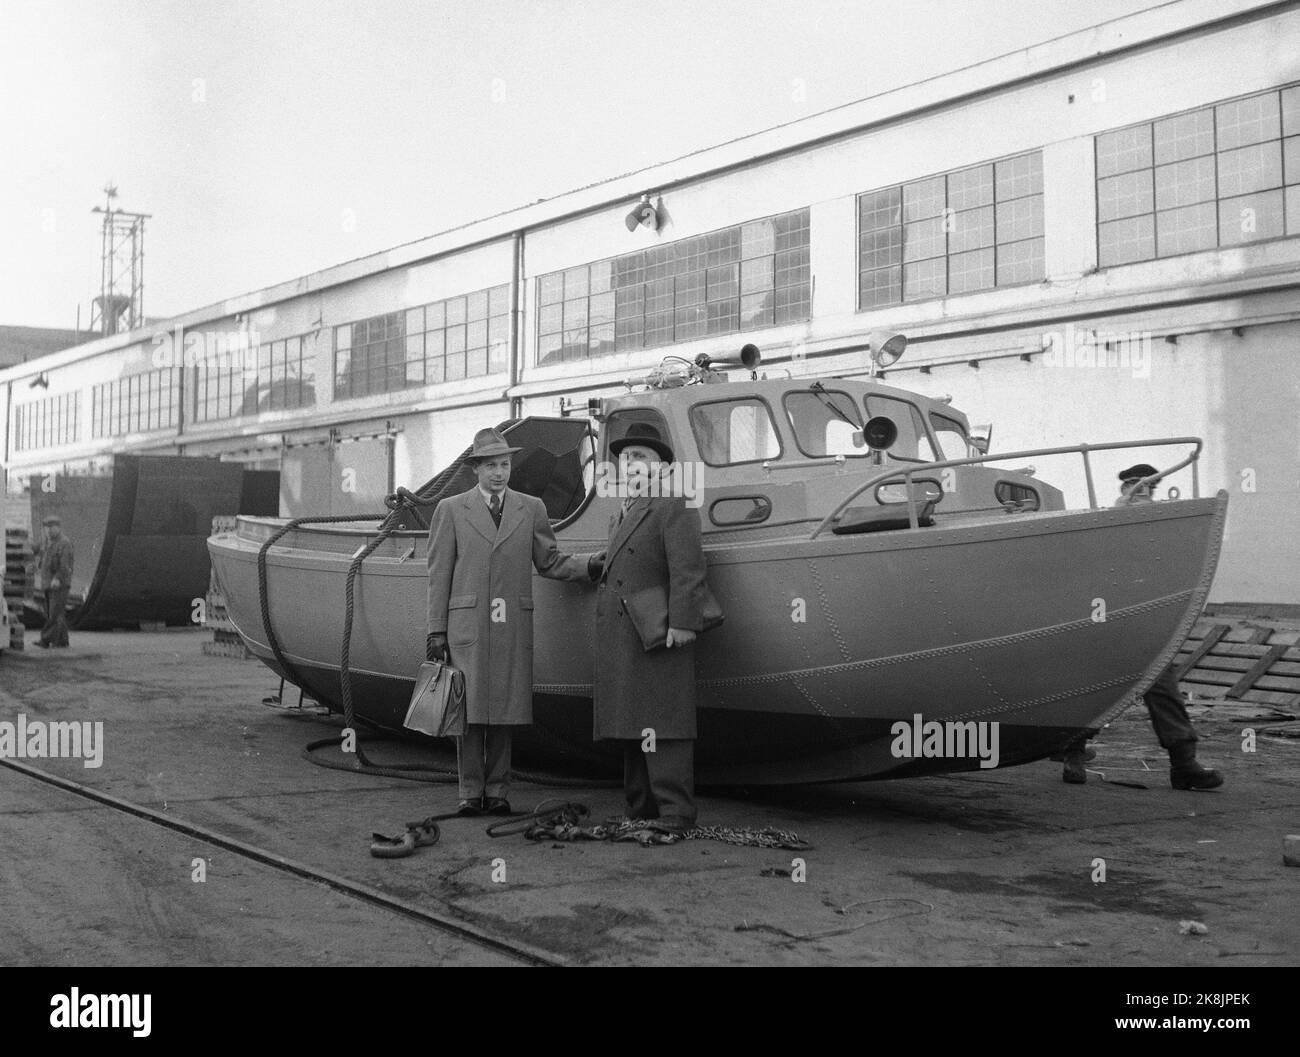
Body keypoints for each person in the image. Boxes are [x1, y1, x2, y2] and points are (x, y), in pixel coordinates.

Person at [426, 427, 599, 816]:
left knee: (504, 710)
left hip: (510, 625)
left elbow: (549, 561)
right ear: (476, 470)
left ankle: (498, 792)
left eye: (504, 465)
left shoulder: (530, 508)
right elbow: (439, 575)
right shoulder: (450, 510)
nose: (499, 473)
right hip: (467, 625)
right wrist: (436, 630)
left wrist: (589, 565)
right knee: (466, 712)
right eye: (491, 466)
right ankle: (470, 793)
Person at [1061, 464, 1223, 790]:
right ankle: (1073, 755)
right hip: (1106, 625)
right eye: (1132, 485)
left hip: (1146, 628)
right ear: (1123, 489)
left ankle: (1184, 764)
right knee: (1091, 692)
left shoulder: (1159, 529)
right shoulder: (1107, 522)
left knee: (1164, 690)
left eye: (1147, 486)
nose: (1139, 491)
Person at [591, 421, 709, 834]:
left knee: (665, 721)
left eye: (641, 456)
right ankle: (639, 809)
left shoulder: (673, 503)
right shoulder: (627, 507)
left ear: (660, 465)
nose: (632, 464)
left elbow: (688, 569)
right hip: (629, 633)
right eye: (626, 458)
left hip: (658, 631)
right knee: (633, 721)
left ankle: (675, 812)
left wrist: (684, 623)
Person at [35, 514, 74, 649]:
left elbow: (65, 565)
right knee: (57, 613)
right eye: (47, 528)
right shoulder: (48, 542)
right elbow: (42, 560)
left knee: (54, 614)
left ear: (58, 528)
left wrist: (57, 578)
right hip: (47, 584)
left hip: (59, 584)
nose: (49, 531)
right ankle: (62, 641)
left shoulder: (64, 543)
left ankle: (45, 639)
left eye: (51, 528)